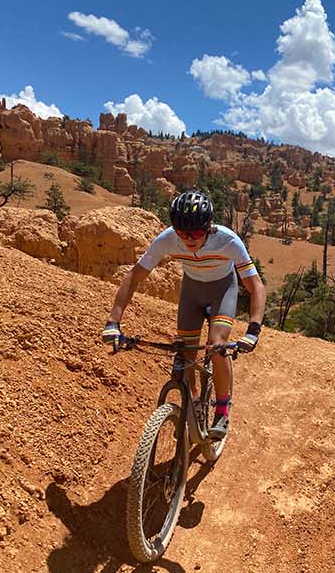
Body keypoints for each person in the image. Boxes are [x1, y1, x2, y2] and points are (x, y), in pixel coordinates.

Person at [101, 191, 265, 445]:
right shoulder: (168, 239)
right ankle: (195, 403)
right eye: (182, 233)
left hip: (223, 290)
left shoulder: (228, 241)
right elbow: (134, 276)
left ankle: (222, 409)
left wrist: (253, 330)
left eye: (196, 234)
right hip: (191, 291)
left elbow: (255, 285)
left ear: (208, 227)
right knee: (185, 352)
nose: (188, 239)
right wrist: (113, 322)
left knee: (216, 344)